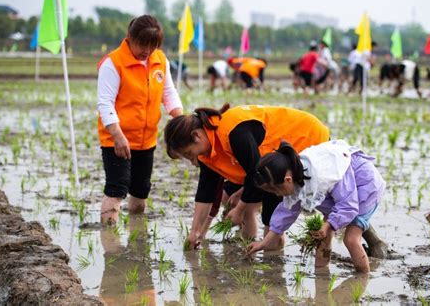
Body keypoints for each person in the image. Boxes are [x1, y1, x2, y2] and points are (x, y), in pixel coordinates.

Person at [164, 104, 330, 250]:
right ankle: (255, 242)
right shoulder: (207, 149)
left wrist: (240, 209)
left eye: (188, 153)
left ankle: (275, 253)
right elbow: (206, 192)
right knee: (235, 197)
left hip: (305, 137)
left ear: (197, 136)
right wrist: (195, 232)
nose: (191, 158)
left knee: (272, 201)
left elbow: (257, 173)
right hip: (265, 162)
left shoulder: (234, 133)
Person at [248, 140, 386, 273]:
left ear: (287, 180)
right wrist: (263, 243)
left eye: (275, 190)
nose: (276, 194)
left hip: (365, 187)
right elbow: (286, 213)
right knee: (323, 235)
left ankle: (363, 277)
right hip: (341, 193)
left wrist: (328, 225)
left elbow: (348, 205)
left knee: (350, 239)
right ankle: (321, 273)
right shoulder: (295, 176)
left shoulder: (326, 174)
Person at [97, 15, 183, 224]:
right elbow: (105, 103)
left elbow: (168, 93)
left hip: (146, 140)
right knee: (117, 189)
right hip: (118, 139)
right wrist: (117, 135)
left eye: (152, 46)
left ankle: (137, 238)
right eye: (142, 44)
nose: (146, 51)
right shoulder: (113, 63)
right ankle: (110, 244)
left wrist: (183, 122)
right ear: (129, 37)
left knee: (141, 192)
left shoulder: (160, 60)